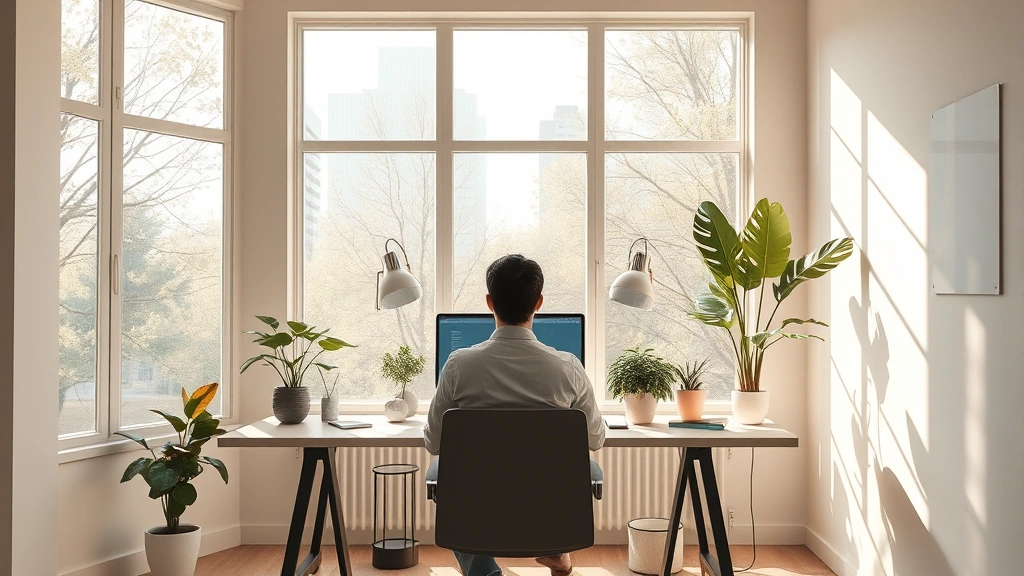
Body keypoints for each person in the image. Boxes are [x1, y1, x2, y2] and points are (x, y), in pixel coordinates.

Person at [424, 254, 605, 576]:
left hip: (481, 499)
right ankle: (555, 548)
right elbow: (595, 438)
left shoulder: (458, 365)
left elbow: (434, 442)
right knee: (582, 465)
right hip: (544, 496)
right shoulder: (568, 367)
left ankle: (482, 570)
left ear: (489, 302)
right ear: (538, 303)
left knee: (442, 467)